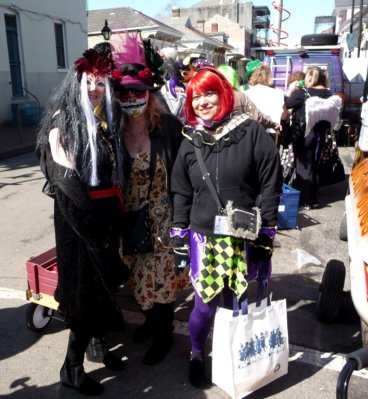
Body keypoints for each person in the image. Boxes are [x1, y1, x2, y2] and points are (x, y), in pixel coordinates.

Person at [170, 67, 283, 388]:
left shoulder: (250, 132)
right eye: (196, 96)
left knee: (239, 303)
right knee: (204, 306)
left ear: (223, 93)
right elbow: (181, 190)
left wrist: (267, 233)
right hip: (204, 236)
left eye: (209, 93)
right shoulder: (190, 139)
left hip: (244, 233)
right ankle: (195, 353)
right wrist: (179, 233)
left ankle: (237, 356)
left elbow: (270, 185)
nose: (203, 101)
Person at [36, 48, 130, 395]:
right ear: (77, 82)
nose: (93, 88)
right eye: (88, 81)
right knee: (84, 292)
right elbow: (66, 181)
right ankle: (71, 367)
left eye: (100, 82)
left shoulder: (107, 116)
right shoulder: (64, 119)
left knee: (106, 283)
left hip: (106, 213)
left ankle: (97, 344)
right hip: (79, 218)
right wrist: (92, 228)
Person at [112, 35, 187, 366]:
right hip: (130, 220)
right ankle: (152, 321)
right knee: (138, 282)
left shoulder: (168, 126)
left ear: (149, 94)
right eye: (124, 93)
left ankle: (164, 334)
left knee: (162, 284)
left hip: (163, 219)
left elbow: (186, 168)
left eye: (137, 92)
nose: (131, 98)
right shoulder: (114, 131)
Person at [285, 66, 341, 209]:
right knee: (314, 164)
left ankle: (307, 201)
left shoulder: (303, 93)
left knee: (304, 167)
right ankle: (312, 197)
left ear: (310, 77)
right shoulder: (329, 94)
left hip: (303, 134)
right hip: (320, 135)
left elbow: (287, 103)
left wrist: (290, 89)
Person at [217, 64, 279, 130]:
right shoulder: (240, 96)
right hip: (237, 135)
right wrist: (273, 124)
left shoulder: (211, 97)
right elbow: (257, 116)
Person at [244, 63, 285, 141]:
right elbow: (284, 115)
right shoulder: (278, 93)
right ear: (269, 77)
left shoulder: (246, 93)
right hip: (272, 131)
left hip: (252, 132)